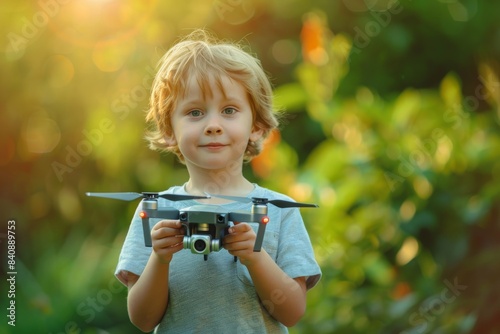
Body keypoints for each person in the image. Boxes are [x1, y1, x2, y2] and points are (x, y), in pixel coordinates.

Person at [115, 29, 321, 333]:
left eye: (229, 110)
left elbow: (292, 312)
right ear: (169, 129)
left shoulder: (280, 210)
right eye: (195, 112)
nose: (213, 125)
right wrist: (160, 258)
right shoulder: (154, 210)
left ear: (257, 126)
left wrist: (255, 258)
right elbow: (143, 320)